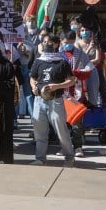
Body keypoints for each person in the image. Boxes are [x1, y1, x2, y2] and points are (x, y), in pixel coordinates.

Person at [29, 34, 76, 166]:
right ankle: (40, 158)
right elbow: (33, 77)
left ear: (56, 45)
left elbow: (71, 80)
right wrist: (33, 86)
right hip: (39, 99)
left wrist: (57, 86)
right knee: (40, 130)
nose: (46, 44)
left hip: (56, 99)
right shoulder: (38, 61)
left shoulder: (62, 62)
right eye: (44, 42)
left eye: (49, 42)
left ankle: (69, 157)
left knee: (61, 130)